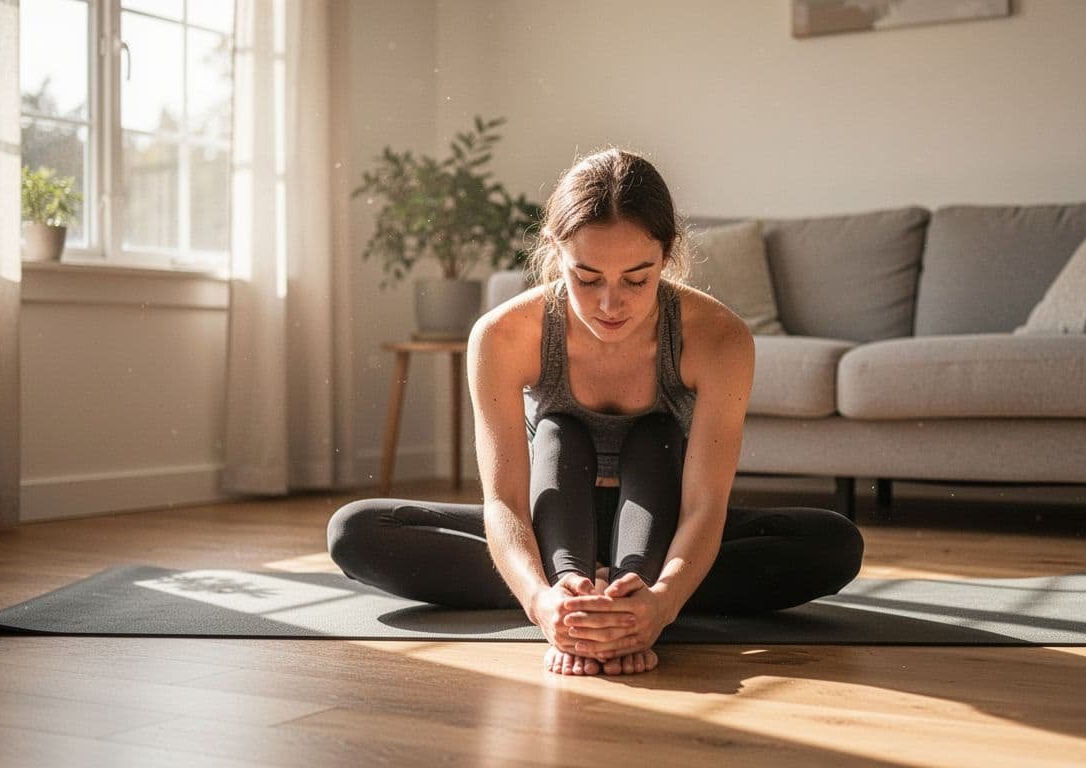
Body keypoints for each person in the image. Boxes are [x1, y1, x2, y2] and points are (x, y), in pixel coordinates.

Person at [328, 148, 863, 676]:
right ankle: (588, 602)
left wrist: (660, 603)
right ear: (553, 251)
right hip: (549, 524)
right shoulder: (502, 335)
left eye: (637, 279)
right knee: (358, 530)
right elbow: (506, 503)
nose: (611, 305)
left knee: (830, 542)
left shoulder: (719, 337)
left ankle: (625, 598)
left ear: (668, 257)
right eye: (586, 278)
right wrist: (542, 602)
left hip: (666, 525)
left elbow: (704, 507)